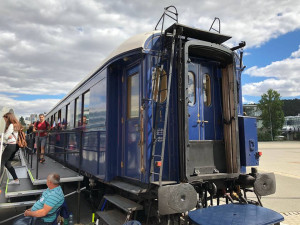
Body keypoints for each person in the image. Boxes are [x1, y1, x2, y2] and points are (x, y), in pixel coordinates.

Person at [0, 112, 22, 185]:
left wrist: (5, 135)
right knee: (7, 164)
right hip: (15, 146)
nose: (5, 121)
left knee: (2, 162)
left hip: (10, 146)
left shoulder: (11, 125)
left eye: (5, 119)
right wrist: (6, 135)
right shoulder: (16, 125)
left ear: (8, 118)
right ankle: (16, 179)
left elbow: (6, 137)